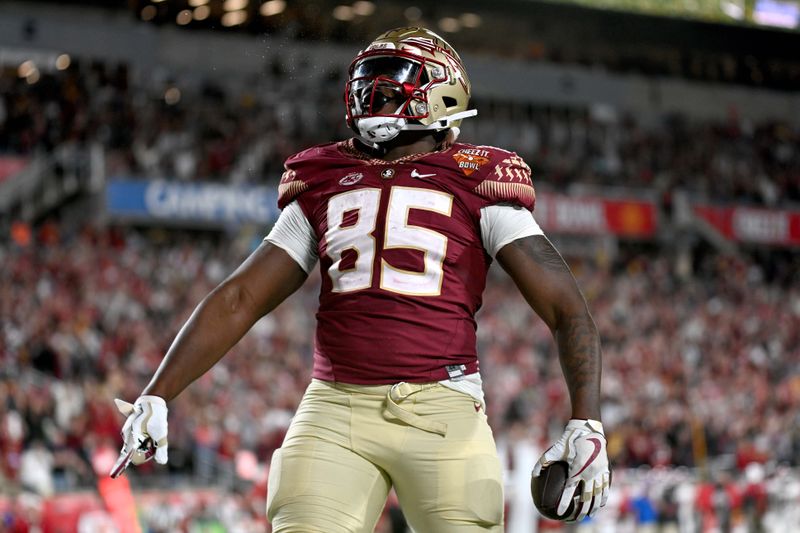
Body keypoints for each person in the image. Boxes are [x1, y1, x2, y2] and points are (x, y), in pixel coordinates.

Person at [112, 27, 611, 532]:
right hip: (335, 406)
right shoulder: (324, 175)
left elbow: (567, 308)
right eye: (365, 82)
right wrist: (158, 391)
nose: (370, 94)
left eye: (390, 84)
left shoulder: (476, 175)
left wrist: (586, 420)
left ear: (442, 93)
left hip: (443, 407)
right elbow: (242, 295)